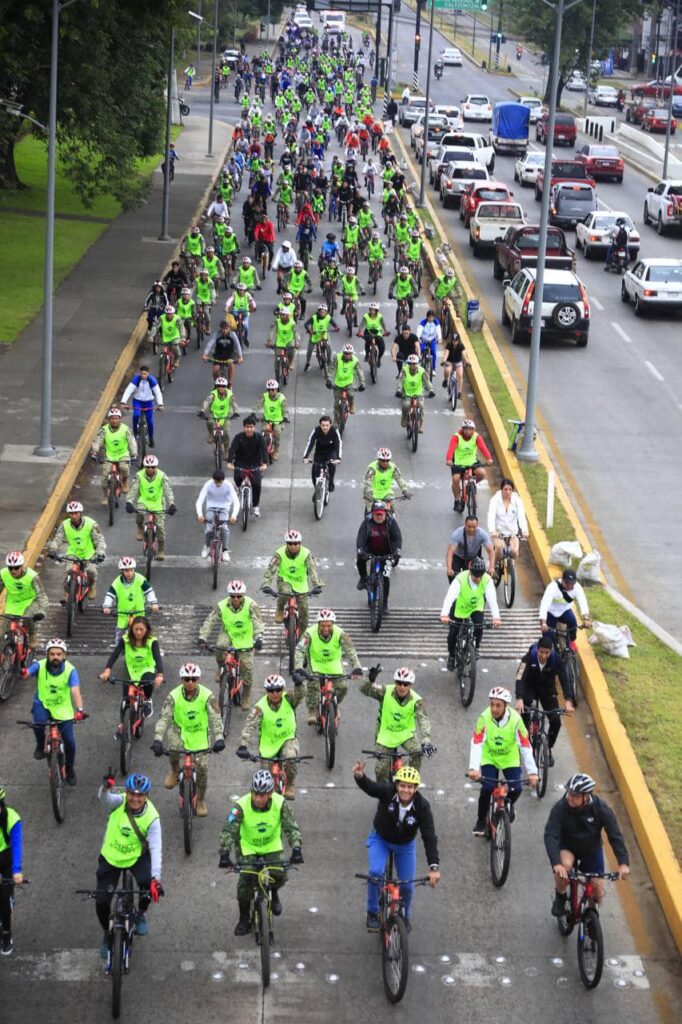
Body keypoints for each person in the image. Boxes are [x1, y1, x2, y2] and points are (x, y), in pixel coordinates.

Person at [353, 760, 440, 932]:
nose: (406, 790)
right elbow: (371, 787)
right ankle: (372, 912)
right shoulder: (387, 792)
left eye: (410, 787)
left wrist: (434, 866)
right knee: (376, 873)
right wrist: (359, 776)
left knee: (407, 886)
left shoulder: (422, 807)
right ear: (397, 785)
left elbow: (429, 836)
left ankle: (404, 916)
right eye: (402, 786)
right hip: (381, 839)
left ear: (416, 789)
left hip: (405, 845)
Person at [218, 768, 303, 935]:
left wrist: (296, 848)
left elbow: (291, 827)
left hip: (271, 845)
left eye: (262, 795)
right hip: (248, 848)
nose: (258, 798)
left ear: (270, 793)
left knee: (280, 874)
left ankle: (274, 891)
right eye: (255, 794)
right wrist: (224, 853)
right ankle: (244, 918)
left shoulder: (280, 803)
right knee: (245, 884)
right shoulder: (240, 806)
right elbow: (228, 830)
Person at [95, 771, 163, 957]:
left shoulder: (152, 818)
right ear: (126, 793)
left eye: (140, 795)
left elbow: (156, 849)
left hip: (136, 856)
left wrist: (156, 878)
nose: (135, 799)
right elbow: (104, 799)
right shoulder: (119, 802)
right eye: (132, 794)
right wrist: (106, 787)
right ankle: (106, 933)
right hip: (111, 856)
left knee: (147, 886)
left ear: (146, 796)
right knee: (101, 902)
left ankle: (140, 913)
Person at [544, 773, 630, 916]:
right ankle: (560, 896)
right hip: (568, 847)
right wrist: (556, 863)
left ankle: (591, 915)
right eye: (569, 793)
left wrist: (623, 863)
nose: (570, 798)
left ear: (586, 796)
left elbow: (615, 835)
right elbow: (551, 835)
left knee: (597, 889)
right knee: (564, 866)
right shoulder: (560, 808)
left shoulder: (601, 809)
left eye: (575, 796)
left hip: (591, 849)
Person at [152, 663, 224, 817]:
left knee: (203, 769)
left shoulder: (208, 696)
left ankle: (200, 800)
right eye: (186, 679)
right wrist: (157, 739)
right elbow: (164, 718)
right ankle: (174, 770)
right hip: (179, 732)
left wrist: (219, 738)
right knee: (173, 748)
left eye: (193, 679)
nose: (190, 682)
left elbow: (216, 717)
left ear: (197, 679)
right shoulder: (173, 696)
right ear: (181, 680)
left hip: (199, 735)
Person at [467, 686, 538, 836]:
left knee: (516, 788)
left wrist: (532, 772)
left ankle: (507, 804)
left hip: (509, 758)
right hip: (490, 757)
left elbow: (525, 745)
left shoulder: (516, 720)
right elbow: (477, 742)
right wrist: (474, 768)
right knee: (487, 788)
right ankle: (481, 821)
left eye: (498, 705)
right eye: (492, 704)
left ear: (506, 705)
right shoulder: (484, 718)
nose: (494, 709)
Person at [24, 638, 85, 785]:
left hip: (62, 707)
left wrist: (80, 710)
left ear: (64, 655)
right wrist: (24, 672)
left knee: (70, 742)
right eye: (52, 654)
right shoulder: (40, 665)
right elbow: (27, 674)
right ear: (47, 655)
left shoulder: (71, 670)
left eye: (59, 654)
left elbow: (75, 690)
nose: (55, 657)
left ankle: (69, 769)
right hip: (42, 703)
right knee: (38, 723)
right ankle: (40, 745)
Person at [237, 673, 306, 799]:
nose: (275, 693)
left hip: (287, 739)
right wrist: (243, 745)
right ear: (266, 691)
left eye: (278, 689)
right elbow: (249, 725)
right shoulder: (260, 707)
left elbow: (300, 694)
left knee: (290, 758)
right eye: (271, 690)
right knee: (265, 780)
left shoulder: (289, 699)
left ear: (283, 689)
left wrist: (299, 684)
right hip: (268, 744)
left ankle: (290, 783)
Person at [360, 666, 434, 782]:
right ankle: (384, 792)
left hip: (406, 735)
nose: (402, 686)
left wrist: (426, 741)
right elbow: (364, 690)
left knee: (417, 753)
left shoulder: (416, 700)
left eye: (406, 683)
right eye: (399, 683)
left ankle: (412, 783)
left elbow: (423, 720)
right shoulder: (385, 691)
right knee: (380, 769)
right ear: (395, 682)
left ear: (411, 685)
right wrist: (369, 679)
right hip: (386, 734)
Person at [198, 579, 264, 709]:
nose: (236, 599)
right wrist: (202, 637)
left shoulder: (251, 605)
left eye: (239, 596)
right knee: (220, 646)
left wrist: (259, 638)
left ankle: (245, 696)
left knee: (247, 668)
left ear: (243, 595)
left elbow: (258, 623)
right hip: (228, 632)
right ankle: (221, 667)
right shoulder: (221, 605)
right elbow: (210, 621)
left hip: (245, 636)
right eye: (233, 596)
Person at [293, 608, 362, 725]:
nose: (326, 629)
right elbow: (300, 650)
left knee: (342, 686)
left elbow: (350, 650)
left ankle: (335, 704)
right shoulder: (309, 633)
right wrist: (299, 667)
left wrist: (357, 667)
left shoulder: (341, 634)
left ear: (333, 624)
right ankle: (312, 710)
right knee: (313, 685)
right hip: (316, 663)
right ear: (318, 624)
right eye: (323, 625)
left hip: (333, 664)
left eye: (329, 626)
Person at [515, 636, 574, 766]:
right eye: (541, 652)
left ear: (551, 651)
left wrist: (568, 700)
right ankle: (526, 743)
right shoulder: (529, 657)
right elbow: (520, 677)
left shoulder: (556, 660)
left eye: (547, 653)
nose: (543, 655)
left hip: (547, 689)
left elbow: (565, 680)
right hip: (530, 687)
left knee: (556, 721)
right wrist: (519, 698)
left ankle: (548, 748)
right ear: (537, 650)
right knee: (526, 710)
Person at [99, 615, 164, 723]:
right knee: (125, 699)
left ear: (146, 629)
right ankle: (122, 726)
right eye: (136, 629)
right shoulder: (125, 639)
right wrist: (107, 669)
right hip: (131, 668)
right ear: (131, 629)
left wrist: (160, 674)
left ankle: (148, 700)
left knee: (147, 682)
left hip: (146, 668)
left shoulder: (152, 641)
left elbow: (157, 657)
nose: (138, 633)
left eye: (141, 629)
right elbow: (115, 654)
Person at [440, 556, 502, 667]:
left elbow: (492, 600)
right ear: (470, 571)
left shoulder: (487, 580)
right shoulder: (460, 579)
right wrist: (444, 615)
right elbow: (449, 597)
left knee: (479, 626)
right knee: (453, 632)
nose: (478, 579)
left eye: (480, 576)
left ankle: (476, 647)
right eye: (475, 576)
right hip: (460, 607)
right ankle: (452, 655)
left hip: (476, 607)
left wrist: (496, 617)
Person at [261, 529, 322, 630]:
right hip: (284, 581)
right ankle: (280, 610)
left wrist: (317, 585)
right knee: (285, 592)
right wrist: (266, 584)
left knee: (304, 613)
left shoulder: (306, 553)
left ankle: (301, 638)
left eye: (295, 543)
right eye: (290, 543)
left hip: (300, 584)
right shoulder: (279, 553)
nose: (293, 546)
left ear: (299, 543)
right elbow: (270, 570)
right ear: (286, 543)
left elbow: (312, 570)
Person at [48, 501, 106, 602]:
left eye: (76, 513)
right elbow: (58, 539)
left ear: (80, 513)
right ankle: (67, 595)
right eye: (71, 513)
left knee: (91, 572)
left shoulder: (91, 524)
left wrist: (100, 553)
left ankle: (91, 586)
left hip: (88, 554)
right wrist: (53, 550)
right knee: (68, 574)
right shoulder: (64, 525)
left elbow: (100, 540)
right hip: (73, 554)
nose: (74, 516)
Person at [126, 454, 176, 561]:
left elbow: (168, 491)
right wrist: (129, 502)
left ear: (156, 467)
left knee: (160, 527)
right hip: (144, 501)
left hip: (158, 503)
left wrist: (172, 503)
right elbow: (133, 490)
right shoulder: (139, 475)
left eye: (152, 467)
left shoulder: (162, 476)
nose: (150, 469)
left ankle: (161, 549)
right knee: (139, 512)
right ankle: (140, 527)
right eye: (147, 467)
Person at [356, 500, 402, 615]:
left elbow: (397, 538)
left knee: (385, 578)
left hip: (387, 552)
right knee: (360, 558)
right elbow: (360, 538)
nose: (379, 516)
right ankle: (363, 578)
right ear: (372, 513)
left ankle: (384, 603)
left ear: (385, 513)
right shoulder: (367, 522)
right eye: (376, 514)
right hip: (370, 549)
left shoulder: (391, 522)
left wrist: (397, 551)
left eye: (381, 514)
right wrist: (360, 549)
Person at [102, 556, 159, 643]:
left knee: (143, 633)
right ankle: (119, 652)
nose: (129, 573)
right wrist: (106, 606)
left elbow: (149, 591)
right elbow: (110, 595)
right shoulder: (117, 582)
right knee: (119, 636)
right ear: (122, 571)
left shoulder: (140, 579)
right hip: (123, 614)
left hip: (138, 612)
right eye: (126, 570)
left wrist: (153, 603)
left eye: (131, 570)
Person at [90, 407, 138, 507]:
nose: (114, 420)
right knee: (104, 477)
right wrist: (94, 453)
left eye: (116, 418)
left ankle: (124, 481)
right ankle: (104, 495)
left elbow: (132, 442)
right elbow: (97, 441)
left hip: (123, 455)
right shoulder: (104, 430)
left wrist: (134, 454)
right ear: (109, 419)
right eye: (112, 418)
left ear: (119, 419)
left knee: (124, 468)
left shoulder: (126, 429)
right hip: (109, 456)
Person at [0, 551, 48, 649]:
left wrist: (42, 611)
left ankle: (32, 635)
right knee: (5, 631)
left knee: (27, 618)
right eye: (10, 568)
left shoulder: (32, 576)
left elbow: (42, 595)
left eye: (16, 567)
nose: (13, 571)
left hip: (30, 601)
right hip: (13, 603)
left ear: (22, 565)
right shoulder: (3, 574)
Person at [446, 419, 493, 513]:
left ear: (473, 429)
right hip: (459, 462)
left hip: (472, 462)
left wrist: (489, 458)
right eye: (466, 429)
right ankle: (457, 499)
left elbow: (483, 448)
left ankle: (470, 485)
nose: (468, 431)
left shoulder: (476, 437)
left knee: (481, 473)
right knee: (456, 479)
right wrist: (449, 459)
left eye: (470, 429)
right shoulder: (456, 437)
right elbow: (451, 449)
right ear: (462, 429)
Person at [227, 415, 269, 519]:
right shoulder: (238, 437)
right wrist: (229, 462)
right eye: (247, 427)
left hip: (255, 464)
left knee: (257, 484)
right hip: (240, 462)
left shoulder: (259, 438)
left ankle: (255, 506)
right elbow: (232, 449)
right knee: (237, 478)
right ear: (243, 428)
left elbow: (264, 450)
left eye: (251, 427)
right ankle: (237, 487)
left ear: (254, 427)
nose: (249, 429)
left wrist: (265, 463)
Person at [195, 469, 239, 562]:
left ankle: (225, 550)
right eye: (216, 482)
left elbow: (236, 501)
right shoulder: (208, 484)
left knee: (224, 528)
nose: (218, 484)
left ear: (223, 480)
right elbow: (200, 500)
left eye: (220, 482)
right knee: (209, 528)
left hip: (224, 508)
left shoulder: (228, 485)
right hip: (211, 507)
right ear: (213, 480)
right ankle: (206, 546)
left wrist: (234, 516)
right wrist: (200, 515)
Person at [0, 784, 23, 956]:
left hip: (6, 862)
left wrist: (17, 870)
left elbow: (17, 846)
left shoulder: (12, 819)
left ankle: (7, 934)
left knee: (4, 901)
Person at [539, 568, 590, 646]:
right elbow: (544, 604)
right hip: (550, 613)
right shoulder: (553, 587)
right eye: (567, 583)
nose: (569, 586)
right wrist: (543, 623)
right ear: (562, 580)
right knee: (547, 641)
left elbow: (582, 602)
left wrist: (586, 619)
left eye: (572, 584)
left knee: (573, 622)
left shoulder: (577, 588)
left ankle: (571, 642)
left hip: (564, 611)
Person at [120, 365, 163, 449]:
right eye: (142, 374)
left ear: (148, 374)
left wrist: (160, 404)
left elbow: (158, 393)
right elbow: (128, 391)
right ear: (140, 373)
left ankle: (151, 438)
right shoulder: (136, 379)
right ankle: (135, 434)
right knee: (136, 415)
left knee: (150, 421)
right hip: (138, 401)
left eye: (145, 374)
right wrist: (123, 402)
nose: (143, 375)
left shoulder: (152, 380)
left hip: (148, 402)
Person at [487, 478, 529, 562]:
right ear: (501, 490)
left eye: (510, 489)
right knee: (499, 549)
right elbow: (491, 516)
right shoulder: (495, 500)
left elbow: (521, 517)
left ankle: (509, 564)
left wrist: (525, 531)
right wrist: (492, 531)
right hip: (498, 534)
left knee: (514, 552)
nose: (508, 492)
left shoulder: (517, 501)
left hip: (512, 534)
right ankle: (492, 566)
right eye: (505, 489)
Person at [325, 342, 366, 427]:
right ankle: (336, 419)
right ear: (343, 353)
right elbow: (331, 368)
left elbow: (360, 372)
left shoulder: (355, 360)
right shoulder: (337, 358)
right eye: (346, 353)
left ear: (352, 353)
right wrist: (328, 379)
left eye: (349, 354)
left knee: (351, 394)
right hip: (338, 383)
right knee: (336, 404)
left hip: (349, 382)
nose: (347, 355)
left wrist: (362, 383)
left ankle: (351, 404)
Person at [445, 515, 495, 581]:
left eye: (474, 527)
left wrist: (491, 567)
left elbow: (491, 551)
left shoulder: (482, 534)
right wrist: (449, 568)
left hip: (473, 558)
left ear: (477, 525)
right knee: (452, 577)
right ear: (465, 524)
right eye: (469, 527)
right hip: (458, 557)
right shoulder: (457, 534)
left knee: (474, 578)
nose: (471, 529)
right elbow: (450, 552)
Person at [302, 415, 342, 493]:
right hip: (319, 451)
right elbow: (310, 443)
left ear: (330, 425)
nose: (325, 427)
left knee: (331, 465)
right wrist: (305, 457)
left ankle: (330, 482)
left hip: (331, 451)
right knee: (314, 471)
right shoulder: (316, 430)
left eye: (327, 425)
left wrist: (339, 458)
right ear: (320, 425)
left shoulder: (334, 431)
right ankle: (317, 491)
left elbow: (338, 444)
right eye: (323, 425)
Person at [201, 376, 240, 454]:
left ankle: (226, 452)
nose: (221, 388)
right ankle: (211, 435)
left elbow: (234, 404)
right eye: (219, 386)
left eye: (223, 386)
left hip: (225, 416)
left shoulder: (230, 394)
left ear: (226, 387)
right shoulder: (213, 394)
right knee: (209, 422)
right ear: (216, 386)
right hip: (214, 414)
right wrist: (202, 410)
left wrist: (236, 412)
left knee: (227, 434)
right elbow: (207, 402)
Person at [397, 353, 435, 433]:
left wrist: (431, 389)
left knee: (421, 405)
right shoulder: (404, 370)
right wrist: (399, 389)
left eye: (414, 364)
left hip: (418, 394)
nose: (412, 365)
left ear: (417, 364)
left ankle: (421, 424)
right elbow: (401, 381)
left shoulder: (421, 371)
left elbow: (427, 382)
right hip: (407, 393)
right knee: (406, 404)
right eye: (410, 364)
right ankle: (404, 418)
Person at [255, 379, 289, 461]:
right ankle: (260, 450)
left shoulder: (282, 398)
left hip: (278, 421)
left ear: (276, 389)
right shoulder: (264, 396)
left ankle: (276, 451)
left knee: (277, 433)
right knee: (262, 433)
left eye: (273, 389)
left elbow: (285, 409)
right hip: (266, 420)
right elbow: (257, 404)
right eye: (269, 389)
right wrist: (253, 413)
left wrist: (285, 417)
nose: (271, 391)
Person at [416, 310, 442, 376]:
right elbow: (419, 331)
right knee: (419, 351)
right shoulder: (423, 322)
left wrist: (439, 339)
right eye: (429, 317)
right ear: (427, 317)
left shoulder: (436, 322)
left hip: (432, 340)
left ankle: (433, 369)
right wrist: (418, 338)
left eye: (432, 317)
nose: (431, 319)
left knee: (434, 353)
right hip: (423, 340)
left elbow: (438, 331)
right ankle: (416, 366)